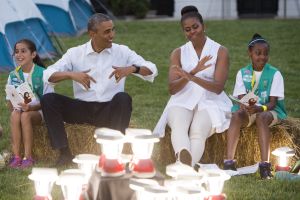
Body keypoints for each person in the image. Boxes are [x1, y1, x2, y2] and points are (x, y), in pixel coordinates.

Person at [41, 13, 158, 166]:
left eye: (113, 30)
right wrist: (71, 74)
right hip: (81, 109)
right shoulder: (75, 53)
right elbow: (47, 75)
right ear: (92, 34)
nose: (112, 35)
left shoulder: (122, 51)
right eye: (107, 32)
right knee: (49, 99)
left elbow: (152, 69)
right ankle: (64, 153)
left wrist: (132, 69)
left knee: (123, 98)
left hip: (109, 111)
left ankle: (113, 154)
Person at [153, 6, 232, 167]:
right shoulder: (178, 53)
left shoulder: (220, 51)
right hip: (183, 96)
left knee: (197, 131)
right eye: (187, 29)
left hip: (210, 99)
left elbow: (218, 87)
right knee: (179, 126)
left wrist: (192, 77)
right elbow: (172, 88)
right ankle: (186, 166)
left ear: (203, 26)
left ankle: (184, 168)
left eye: (195, 27)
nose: (192, 32)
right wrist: (193, 72)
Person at [224, 33, 287, 179]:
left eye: (265, 54)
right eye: (258, 53)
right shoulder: (242, 72)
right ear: (250, 53)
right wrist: (245, 107)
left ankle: (265, 166)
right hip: (250, 110)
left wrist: (260, 109)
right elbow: (240, 99)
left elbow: (272, 103)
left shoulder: (275, 74)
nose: (262, 57)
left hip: (269, 110)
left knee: (262, 118)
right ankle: (229, 163)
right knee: (236, 115)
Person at [6, 39, 54, 168]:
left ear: (33, 54)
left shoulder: (43, 73)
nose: (19, 55)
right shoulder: (13, 75)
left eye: (23, 51)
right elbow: (9, 103)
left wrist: (31, 107)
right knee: (15, 114)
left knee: (25, 116)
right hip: (22, 110)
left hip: (40, 111)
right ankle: (17, 156)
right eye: (16, 52)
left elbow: (50, 101)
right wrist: (13, 103)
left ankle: (28, 157)